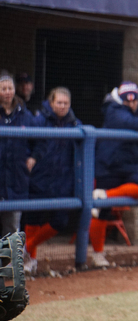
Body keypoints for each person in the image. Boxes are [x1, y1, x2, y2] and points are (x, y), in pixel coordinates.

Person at [90, 81, 138, 267]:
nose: (131, 104)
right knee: (101, 212)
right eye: (127, 101)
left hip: (131, 168)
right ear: (121, 99)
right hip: (108, 164)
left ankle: (104, 195)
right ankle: (97, 254)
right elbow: (129, 123)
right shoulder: (112, 109)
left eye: (134, 101)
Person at [23, 87, 81, 275]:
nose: (63, 106)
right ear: (51, 102)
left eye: (66, 103)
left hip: (63, 181)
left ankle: (26, 249)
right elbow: (27, 144)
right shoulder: (38, 120)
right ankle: (29, 261)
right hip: (40, 178)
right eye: (59, 103)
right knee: (33, 220)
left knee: (60, 221)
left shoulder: (74, 124)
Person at [0, 73, 40, 238]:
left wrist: (33, 157)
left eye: (10, 88)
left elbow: (40, 139)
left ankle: (8, 264)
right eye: (3, 88)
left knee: (12, 226)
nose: (7, 92)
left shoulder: (24, 114)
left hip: (17, 179)